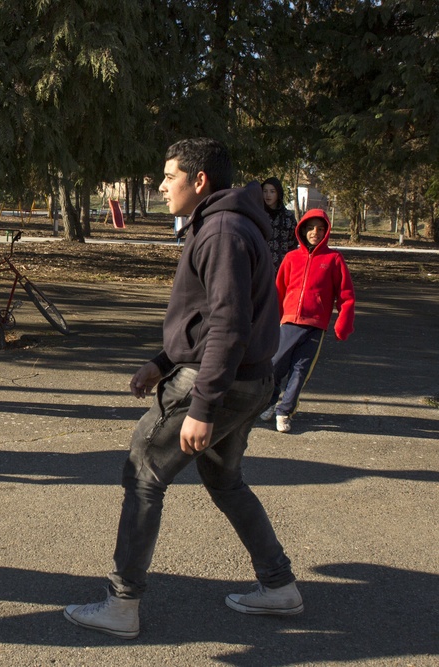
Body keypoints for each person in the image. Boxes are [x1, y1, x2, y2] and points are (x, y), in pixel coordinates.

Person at [64, 138, 302, 640]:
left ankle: (121, 604)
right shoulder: (227, 224)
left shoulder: (220, 230)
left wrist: (202, 405)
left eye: (169, 176)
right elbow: (205, 317)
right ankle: (279, 585)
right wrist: (161, 360)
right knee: (225, 481)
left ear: (199, 181)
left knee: (142, 472)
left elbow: (229, 325)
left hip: (220, 382)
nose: (161, 185)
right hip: (247, 379)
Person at [260, 209, 355, 433]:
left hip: (315, 326)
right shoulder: (291, 258)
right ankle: (270, 401)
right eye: (311, 228)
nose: (315, 232)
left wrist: (343, 322)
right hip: (289, 323)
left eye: (320, 229)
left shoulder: (334, 259)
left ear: (327, 232)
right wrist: (270, 320)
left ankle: (285, 411)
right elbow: (279, 291)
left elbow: (346, 295)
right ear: (302, 230)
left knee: (300, 371)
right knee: (275, 365)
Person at [262, 177, 298, 268]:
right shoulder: (258, 215)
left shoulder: (288, 217)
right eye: (265, 191)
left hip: (283, 267)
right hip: (261, 267)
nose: (268, 195)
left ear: (278, 193)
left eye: (272, 191)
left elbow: (293, 242)